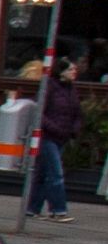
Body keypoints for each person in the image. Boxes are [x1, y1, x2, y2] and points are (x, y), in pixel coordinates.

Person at [27, 53, 82, 221]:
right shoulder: (49, 87)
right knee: (56, 173)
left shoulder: (70, 89)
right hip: (47, 137)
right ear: (61, 71)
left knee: (44, 173)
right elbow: (39, 113)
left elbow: (77, 112)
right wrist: (54, 128)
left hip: (62, 137)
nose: (74, 72)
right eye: (71, 69)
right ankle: (58, 210)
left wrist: (74, 129)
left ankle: (32, 208)